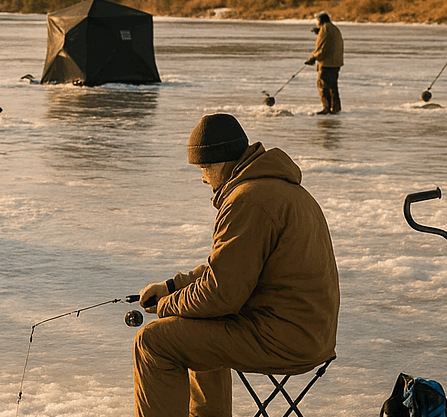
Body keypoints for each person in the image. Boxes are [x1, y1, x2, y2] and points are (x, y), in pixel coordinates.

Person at [134, 113, 340, 417]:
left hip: (285, 339)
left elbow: (221, 296)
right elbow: (231, 269)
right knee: (195, 325)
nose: (203, 178)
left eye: (204, 167)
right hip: (308, 332)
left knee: (153, 342)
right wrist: (172, 287)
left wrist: (166, 305)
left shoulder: (247, 200)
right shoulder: (278, 188)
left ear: (222, 162)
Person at [304, 12, 344, 114]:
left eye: (318, 21)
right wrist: (319, 31)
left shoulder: (325, 29)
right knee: (332, 86)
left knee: (323, 85)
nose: (317, 23)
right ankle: (335, 108)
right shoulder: (333, 28)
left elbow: (323, 48)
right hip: (336, 62)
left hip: (327, 63)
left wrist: (313, 58)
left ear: (321, 20)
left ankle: (327, 108)